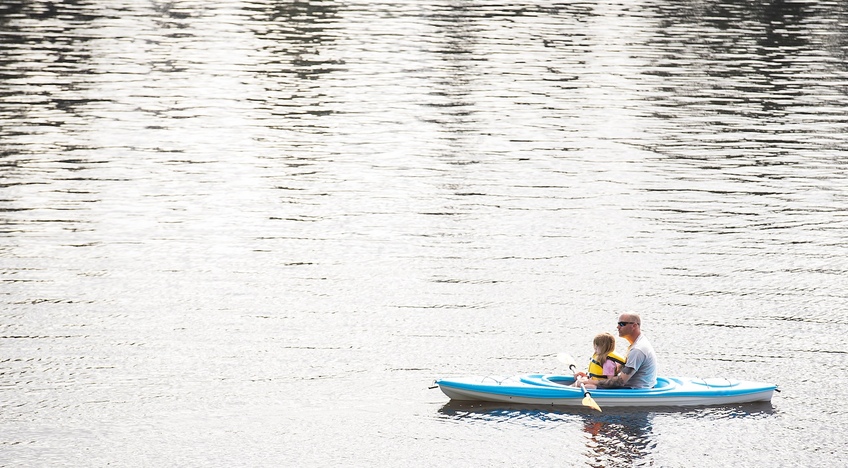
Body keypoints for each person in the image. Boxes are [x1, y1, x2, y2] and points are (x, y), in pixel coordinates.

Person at [576, 312, 658, 389]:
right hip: (629, 386)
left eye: (622, 324)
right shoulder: (636, 343)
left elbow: (620, 382)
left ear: (634, 326)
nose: (618, 327)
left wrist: (590, 381)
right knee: (581, 382)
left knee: (583, 385)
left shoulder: (638, 350)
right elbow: (622, 369)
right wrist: (588, 375)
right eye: (618, 324)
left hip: (634, 389)